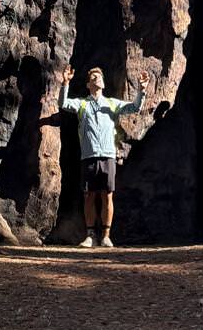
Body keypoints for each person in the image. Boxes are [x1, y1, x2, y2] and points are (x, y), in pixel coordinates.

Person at [59, 64, 150, 248]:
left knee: (107, 195)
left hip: (108, 155)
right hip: (89, 155)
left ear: (104, 83)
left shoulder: (111, 104)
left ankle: (106, 236)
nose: (96, 79)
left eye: (99, 77)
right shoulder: (82, 104)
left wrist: (142, 90)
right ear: (88, 85)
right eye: (93, 78)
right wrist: (65, 83)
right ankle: (91, 235)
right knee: (90, 196)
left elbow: (134, 107)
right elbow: (63, 104)